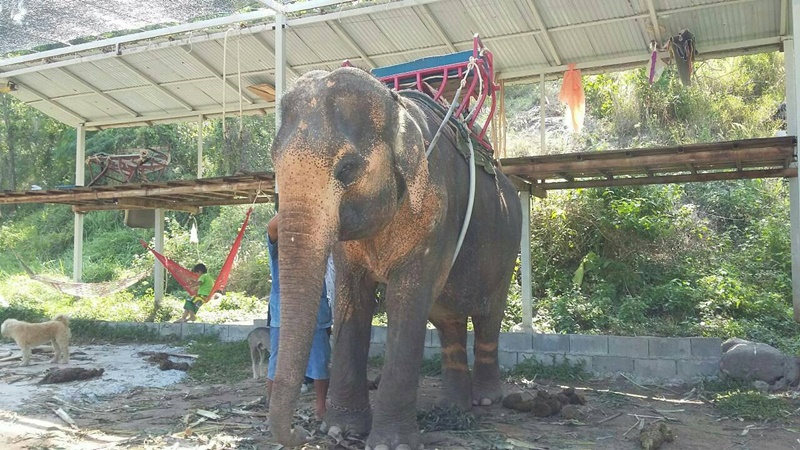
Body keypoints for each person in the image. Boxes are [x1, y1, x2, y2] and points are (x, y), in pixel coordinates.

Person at [265, 213, 333, 420]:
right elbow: (272, 226)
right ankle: (273, 407)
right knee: (277, 359)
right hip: (284, 312)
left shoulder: (318, 245)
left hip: (314, 310)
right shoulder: (278, 247)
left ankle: (321, 408)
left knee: (320, 359)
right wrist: (300, 208)